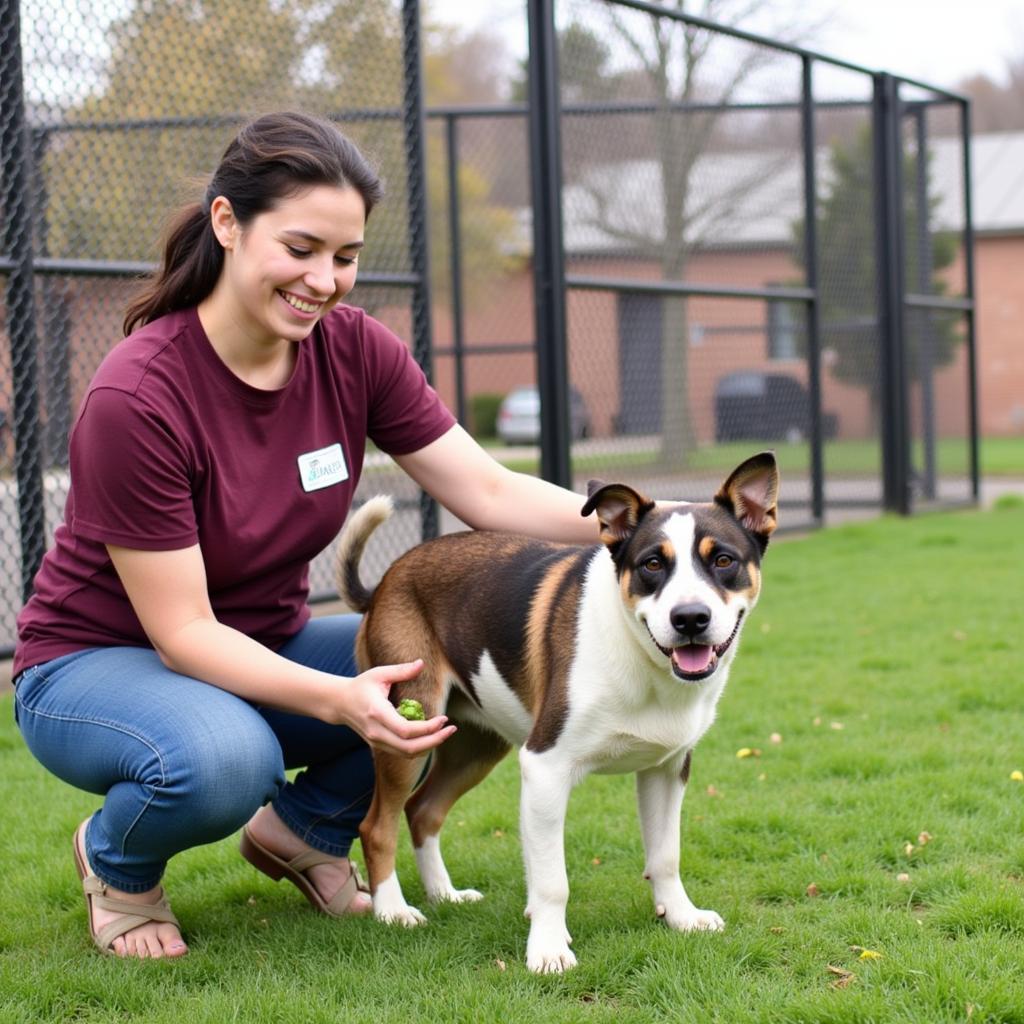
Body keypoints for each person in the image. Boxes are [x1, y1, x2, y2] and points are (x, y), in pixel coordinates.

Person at [12, 111, 602, 960]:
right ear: (226, 224)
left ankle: (304, 832)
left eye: (346, 257)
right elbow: (181, 634)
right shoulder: (137, 396)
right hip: (97, 664)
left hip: (260, 640)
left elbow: (487, 488)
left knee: (450, 675)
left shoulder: (355, 350)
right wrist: (337, 699)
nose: (325, 280)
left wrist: (643, 531)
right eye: (300, 249)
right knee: (227, 760)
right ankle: (117, 864)